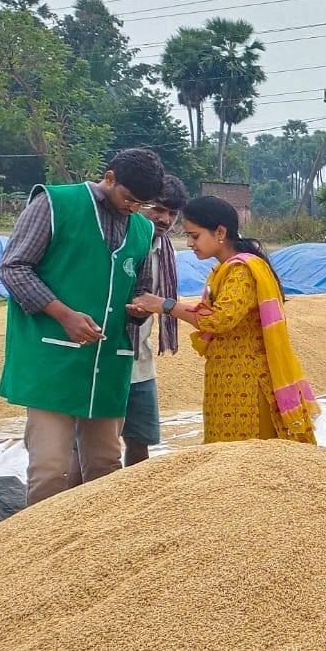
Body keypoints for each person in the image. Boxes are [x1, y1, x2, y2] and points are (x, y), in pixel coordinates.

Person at [0, 148, 164, 505]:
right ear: (109, 178)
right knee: (49, 468)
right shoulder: (55, 205)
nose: (133, 208)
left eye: (141, 204)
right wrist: (64, 315)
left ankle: (95, 553)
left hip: (108, 364)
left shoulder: (143, 229)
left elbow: (140, 288)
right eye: (128, 199)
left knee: (105, 466)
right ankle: (41, 551)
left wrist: (138, 309)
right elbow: (13, 267)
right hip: (52, 360)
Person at [132, 196, 318, 444]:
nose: (189, 243)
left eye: (194, 236)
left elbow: (219, 319)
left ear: (220, 232)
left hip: (247, 384)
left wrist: (165, 305)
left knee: (248, 457)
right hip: (227, 378)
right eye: (187, 236)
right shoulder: (225, 269)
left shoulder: (240, 270)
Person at [122, 174, 188, 466]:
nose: (165, 219)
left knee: (141, 439)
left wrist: (155, 307)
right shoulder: (118, 243)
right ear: (138, 204)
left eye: (172, 213)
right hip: (104, 356)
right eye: (158, 209)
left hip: (141, 359)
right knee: (90, 445)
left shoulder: (165, 251)